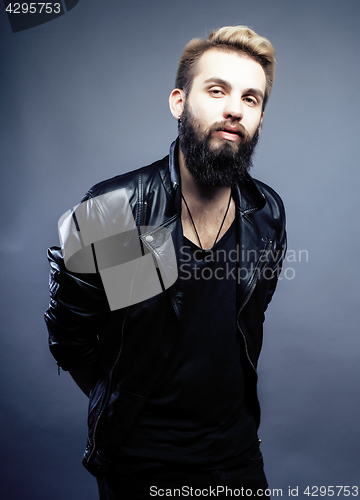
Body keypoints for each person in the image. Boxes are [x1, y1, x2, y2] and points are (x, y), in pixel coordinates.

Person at [45, 25, 286, 499]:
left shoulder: (266, 213)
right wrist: (130, 409)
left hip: (236, 458)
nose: (234, 108)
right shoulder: (117, 210)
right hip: (141, 463)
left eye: (251, 99)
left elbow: (245, 321)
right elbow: (71, 340)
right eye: (217, 91)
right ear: (179, 102)